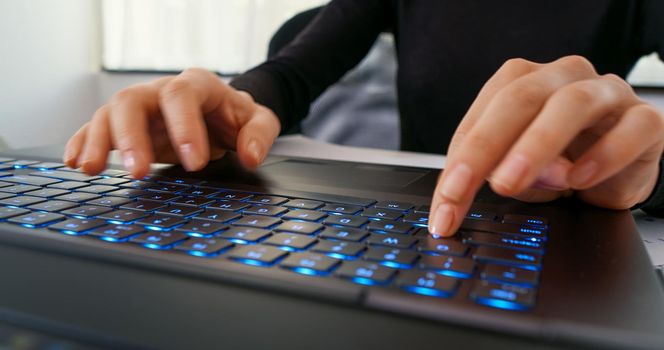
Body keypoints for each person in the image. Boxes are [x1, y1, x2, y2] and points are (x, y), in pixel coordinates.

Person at [64, 0, 664, 237]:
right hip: (420, 234)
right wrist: (236, 106)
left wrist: (644, 175)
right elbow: (294, 70)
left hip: (569, 228)